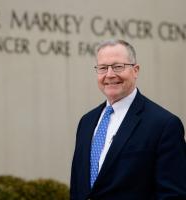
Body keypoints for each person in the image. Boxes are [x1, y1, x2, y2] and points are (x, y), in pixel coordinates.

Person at [70, 39, 186, 200]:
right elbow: (78, 186)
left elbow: (173, 195)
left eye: (118, 67)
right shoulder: (87, 122)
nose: (110, 74)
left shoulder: (164, 125)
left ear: (136, 70)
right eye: (103, 68)